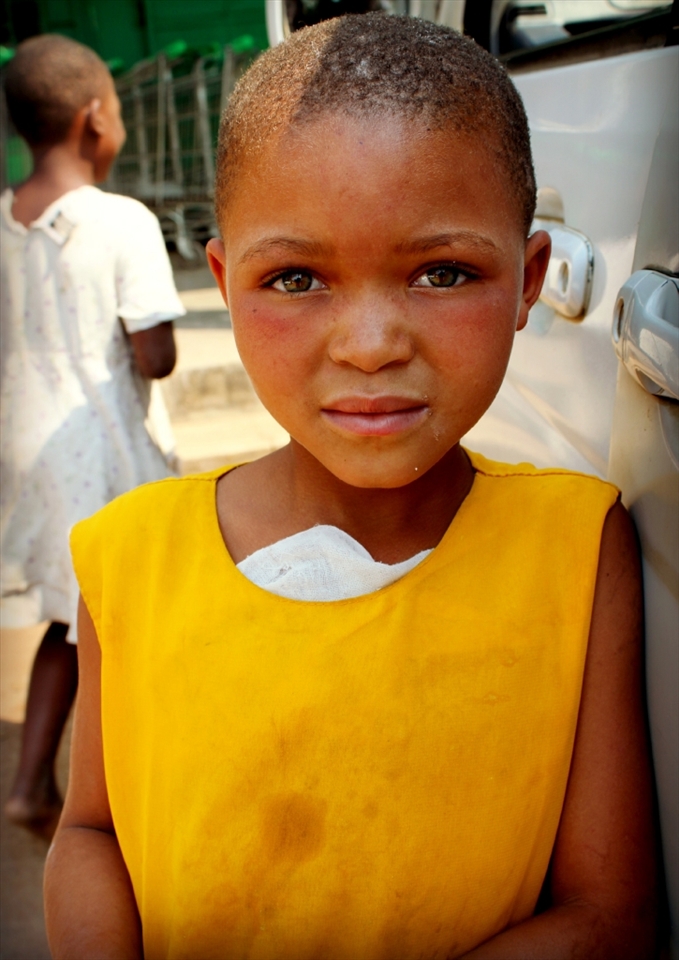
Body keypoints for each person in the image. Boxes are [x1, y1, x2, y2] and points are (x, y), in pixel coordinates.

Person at [44, 14, 658, 959]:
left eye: (442, 273)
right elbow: (90, 830)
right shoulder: (129, 557)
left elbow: (609, 915)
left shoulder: (574, 549)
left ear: (528, 278)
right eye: (296, 280)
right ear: (225, 282)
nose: (370, 346)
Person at [1, 35, 185, 838]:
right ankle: (138, 791)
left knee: (75, 618)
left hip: (26, 445)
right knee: (130, 610)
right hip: (99, 444)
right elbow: (156, 355)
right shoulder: (121, 221)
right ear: (95, 119)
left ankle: (32, 785)